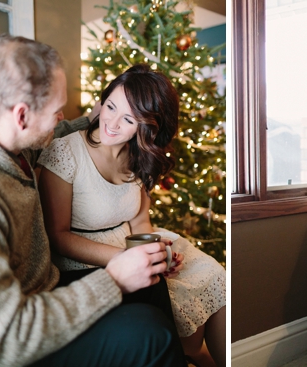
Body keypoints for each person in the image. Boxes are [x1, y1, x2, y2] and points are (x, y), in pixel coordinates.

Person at [0, 34, 186, 367]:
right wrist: (115, 279)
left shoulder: (12, 146)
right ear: (21, 116)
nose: (65, 117)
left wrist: (111, 111)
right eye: (57, 110)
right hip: (19, 338)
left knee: (153, 286)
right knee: (151, 333)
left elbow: (59, 132)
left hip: (45, 291)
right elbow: (4, 340)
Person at [37, 63, 226, 367]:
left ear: (146, 127)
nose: (111, 123)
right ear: (103, 100)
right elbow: (57, 237)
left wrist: (155, 249)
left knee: (214, 272)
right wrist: (128, 259)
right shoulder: (64, 153)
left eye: (128, 119)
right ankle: (186, 353)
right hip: (79, 257)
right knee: (156, 287)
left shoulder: (140, 155)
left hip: (128, 242)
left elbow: (139, 221)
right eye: (110, 107)